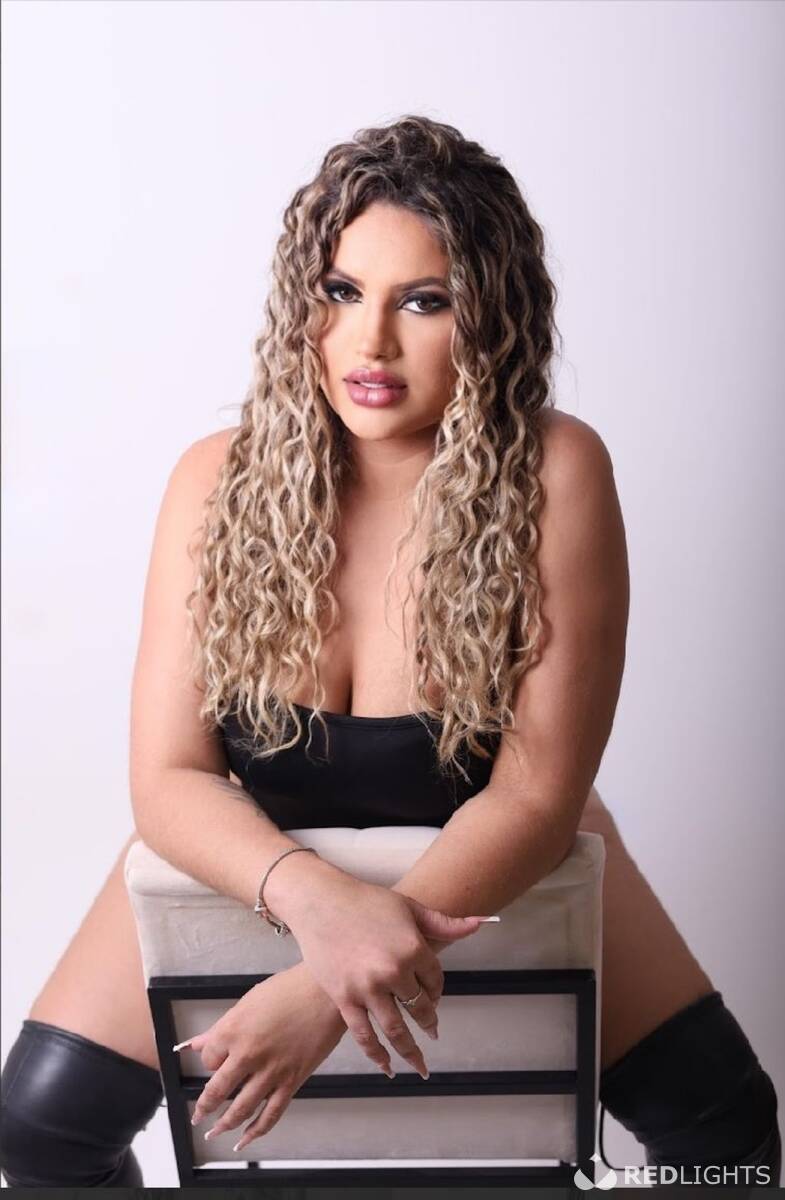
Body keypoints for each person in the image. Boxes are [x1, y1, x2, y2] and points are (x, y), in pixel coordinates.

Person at [0, 114, 779, 1189]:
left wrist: (321, 992)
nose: (368, 344)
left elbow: (536, 793)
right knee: (38, 1133)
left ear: (491, 316)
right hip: (259, 855)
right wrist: (318, 912)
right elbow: (168, 779)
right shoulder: (212, 479)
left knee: (725, 1132)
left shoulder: (555, 470)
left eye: (423, 301)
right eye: (340, 291)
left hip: (496, 856)